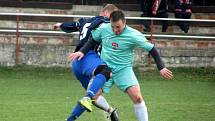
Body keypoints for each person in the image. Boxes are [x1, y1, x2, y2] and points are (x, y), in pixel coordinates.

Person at [69, 10, 173, 121]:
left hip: (123, 70)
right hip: (105, 69)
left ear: (124, 22)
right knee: (92, 97)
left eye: (118, 27)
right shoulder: (104, 28)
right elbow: (93, 40)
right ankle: (110, 111)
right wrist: (82, 51)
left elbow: (152, 49)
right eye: (113, 27)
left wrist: (161, 67)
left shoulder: (133, 35)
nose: (115, 30)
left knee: (137, 97)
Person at [54, 4, 119, 121]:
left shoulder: (85, 21)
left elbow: (74, 25)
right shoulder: (105, 22)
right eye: (112, 16)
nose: (113, 20)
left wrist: (60, 25)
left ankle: (110, 110)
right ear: (106, 13)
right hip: (88, 57)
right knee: (105, 71)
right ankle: (87, 100)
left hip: (76, 62)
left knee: (93, 94)